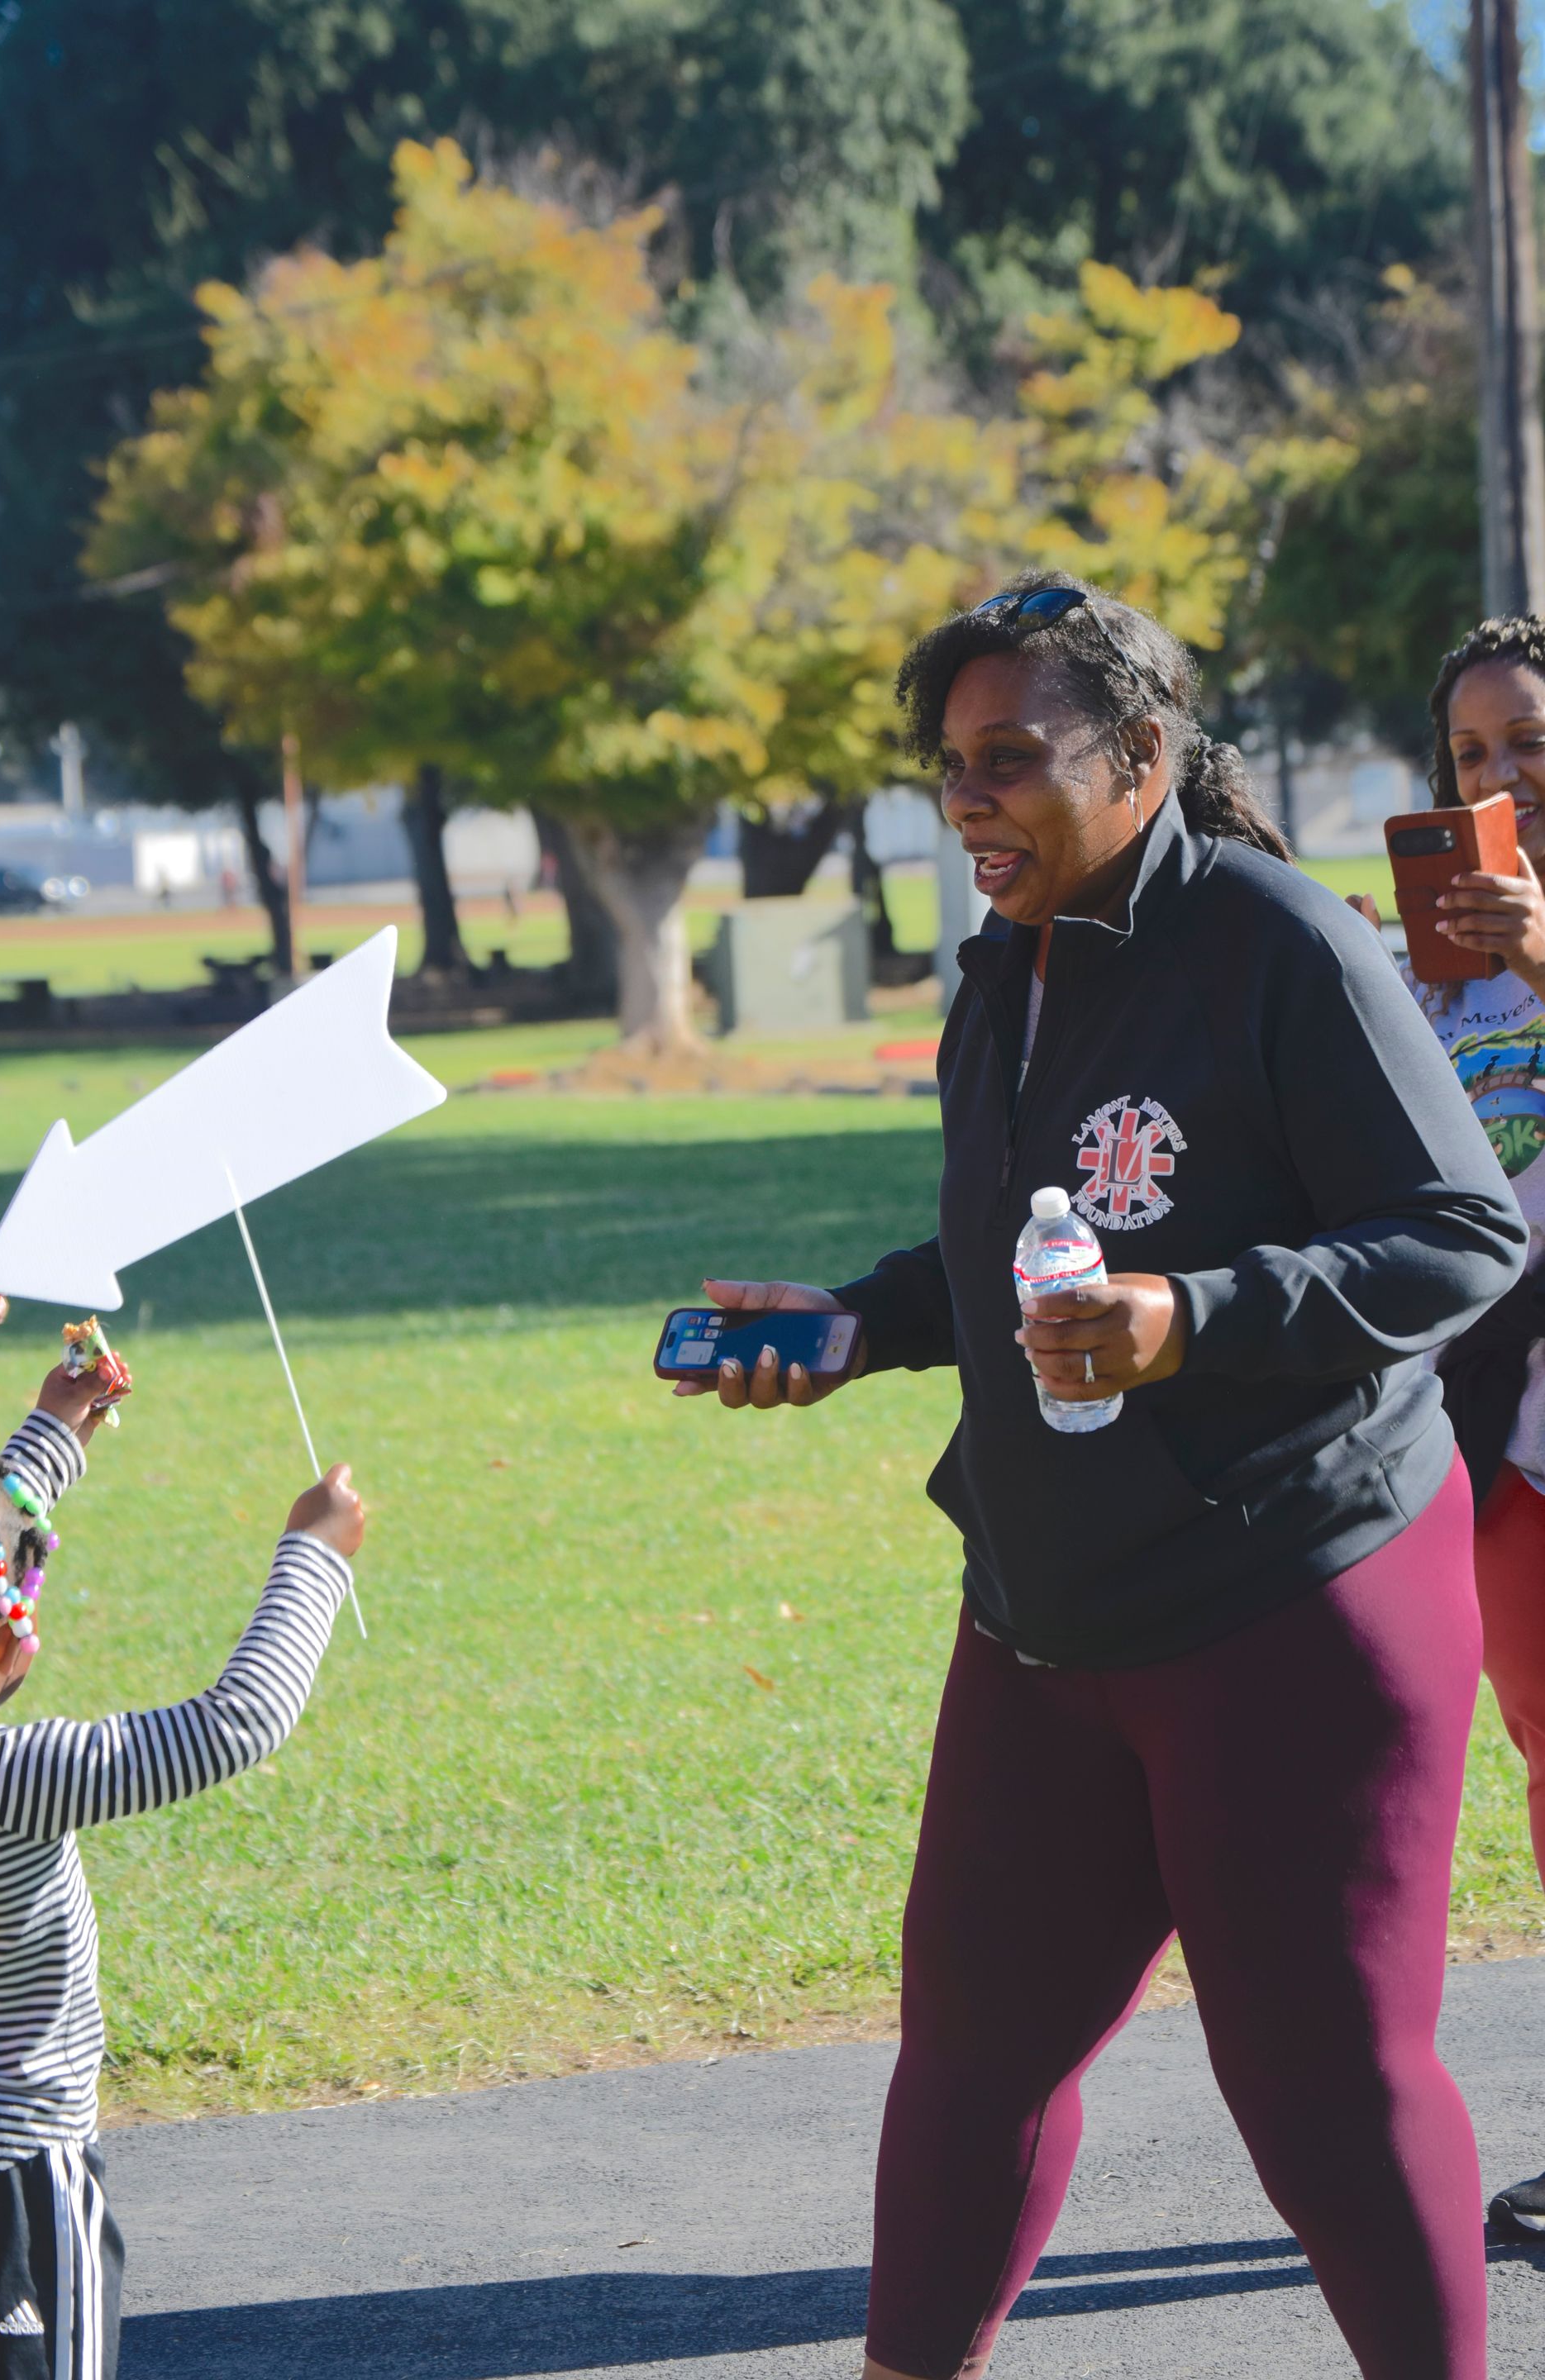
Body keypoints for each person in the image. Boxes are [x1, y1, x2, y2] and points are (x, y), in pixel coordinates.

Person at [675, 572, 1526, 2380]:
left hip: (1298, 1602)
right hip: (1052, 1614)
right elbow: (1017, 1261)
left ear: (1142, 757)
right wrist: (846, 1325)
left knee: (1320, 2085)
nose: (968, 800)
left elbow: (1460, 1237)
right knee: (971, 2059)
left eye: (1009, 760)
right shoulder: (1006, 968)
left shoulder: (1283, 942)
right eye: (947, 768)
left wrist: (1189, 1320)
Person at [0, 1361, 364, 2378]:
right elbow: (233, 1725)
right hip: (14, 2184)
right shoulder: (3, 1783)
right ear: (11, 1637)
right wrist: (312, 1556)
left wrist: (53, 1429)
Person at [1353, 614, 1545, 2243]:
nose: (1501, 781)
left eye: (1531, 749)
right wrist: (1363, 989)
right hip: (1462, 1429)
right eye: (1473, 756)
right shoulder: (1439, 971)